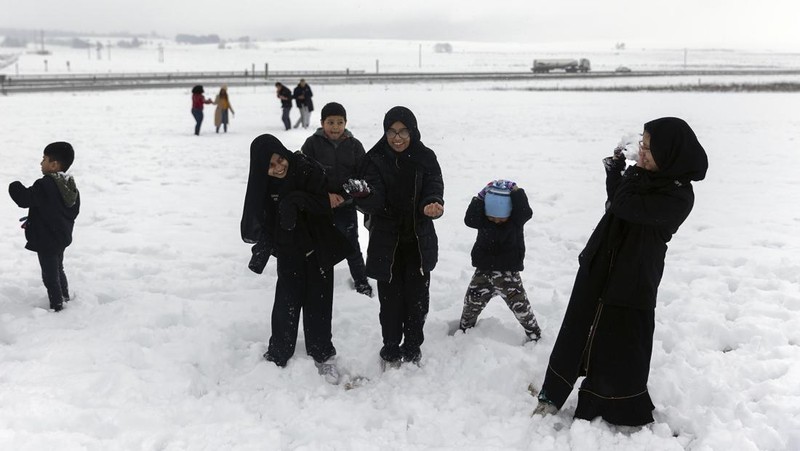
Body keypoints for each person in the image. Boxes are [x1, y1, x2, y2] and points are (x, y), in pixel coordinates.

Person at [533, 117, 708, 426]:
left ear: (669, 153)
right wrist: (616, 170)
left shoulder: (679, 195)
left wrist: (631, 175)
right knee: (577, 327)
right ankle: (553, 392)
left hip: (634, 274)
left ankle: (612, 404)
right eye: (641, 144)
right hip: (603, 260)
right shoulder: (643, 178)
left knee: (619, 339)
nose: (641, 152)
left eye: (649, 148)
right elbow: (617, 200)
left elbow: (625, 206)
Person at [240, 134, 352, 384]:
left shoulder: (305, 168)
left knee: (319, 305)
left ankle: (322, 354)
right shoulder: (264, 187)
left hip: (318, 249)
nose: (279, 166)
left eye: (280, 159)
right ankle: (279, 353)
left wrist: (294, 200)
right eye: (271, 165)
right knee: (285, 305)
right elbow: (266, 222)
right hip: (290, 253)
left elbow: (328, 202)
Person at [353, 106, 444, 369]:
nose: (397, 137)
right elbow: (376, 197)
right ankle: (391, 347)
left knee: (417, 300)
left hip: (417, 240)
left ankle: (413, 346)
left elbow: (434, 185)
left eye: (403, 131)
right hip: (386, 241)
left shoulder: (425, 157)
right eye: (392, 131)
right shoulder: (375, 158)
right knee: (390, 302)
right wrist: (364, 195)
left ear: (413, 131)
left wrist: (432, 202)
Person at [301, 102, 373, 297]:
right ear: (322, 123)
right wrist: (325, 196)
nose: (335, 127)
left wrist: (343, 195)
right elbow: (303, 174)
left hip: (346, 206)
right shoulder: (311, 144)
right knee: (317, 246)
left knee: (351, 245)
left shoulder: (354, 145)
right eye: (330, 122)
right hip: (319, 207)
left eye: (339, 122)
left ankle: (361, 281)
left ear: (346, 123)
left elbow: (363, 176)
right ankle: (316, 281)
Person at [459, 179, 542, 341]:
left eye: (501, 218)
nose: (496, 221)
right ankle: (464, 331)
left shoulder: (516, 221)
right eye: (492, 217)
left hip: (508, 276)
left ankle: (534, 334)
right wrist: (479, 197)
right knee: (471, 302)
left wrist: (516, 191)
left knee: (521, 307)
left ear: (510, 212)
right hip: (483, 272)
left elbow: (525, 211)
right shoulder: (482, 220)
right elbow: (470, 219)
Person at [9, 142, 81, 312]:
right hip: (61, 237)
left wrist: (14, 186)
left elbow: (25, 199)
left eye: (44, 159)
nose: (41, 163)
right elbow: (72, 210)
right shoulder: (69, 185)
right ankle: (64, 296)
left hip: (47, 239)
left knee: (50, 276)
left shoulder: (45, 185)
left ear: (54, 164)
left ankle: (57, 306)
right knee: (59, 268)